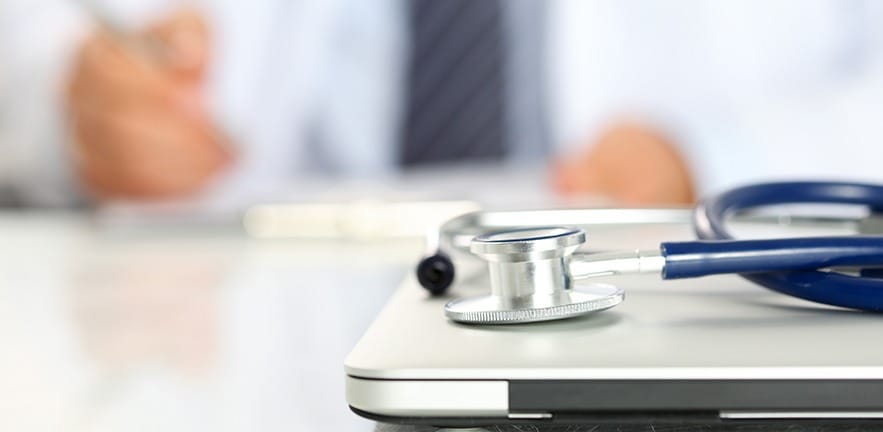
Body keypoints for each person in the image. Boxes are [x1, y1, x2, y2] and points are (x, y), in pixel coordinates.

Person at [3, 0, 883, 207]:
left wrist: (721, 156)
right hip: (245, 282)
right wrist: (77, 108)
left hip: (654, 276)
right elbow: (42, 37)